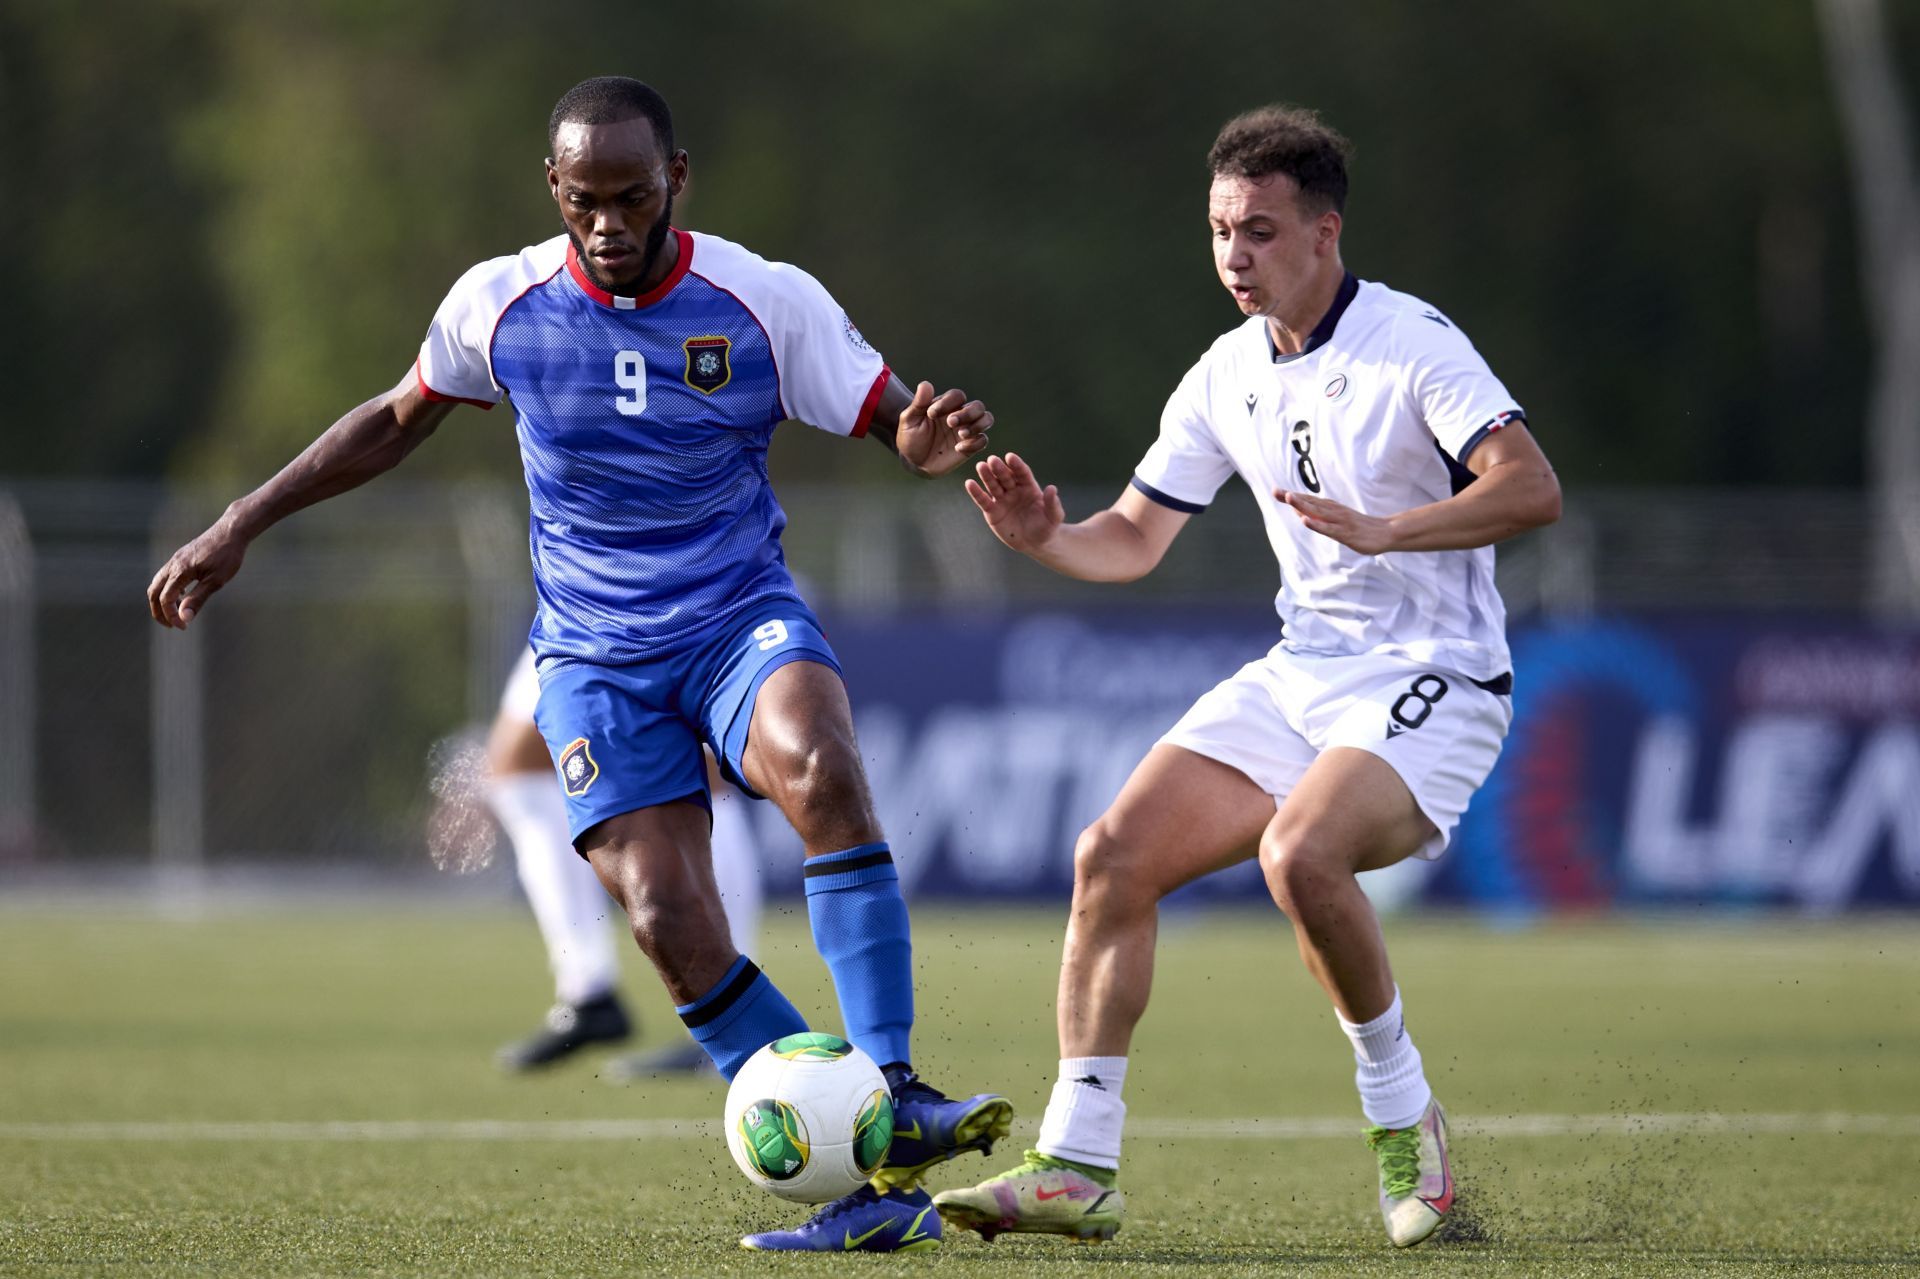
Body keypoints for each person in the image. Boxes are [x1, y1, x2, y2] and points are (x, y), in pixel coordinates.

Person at [148, 75, 1013, 1253]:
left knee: (820, 762)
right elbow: (396, 418)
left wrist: (916, 439)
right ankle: (855, 1170)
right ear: (552, 189)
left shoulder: (761, 301)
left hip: (736, 619)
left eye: (634, 197)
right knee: (663, 911)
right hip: (594, 655)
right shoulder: (497, 306)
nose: (610, 224)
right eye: (586, 200)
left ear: (678, 182)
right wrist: (240, 518)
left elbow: (888, 413)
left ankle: (897, 1090)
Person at [933, 105, 1560, 1249]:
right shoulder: (1227, 371)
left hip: (1439, 676)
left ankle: (1404, 1123)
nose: (1235, 255)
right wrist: (1045, 541)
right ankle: (1075, 1164)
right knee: (1111, 855)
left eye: (1261, 231)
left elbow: (1531, 488)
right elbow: (1130, 535)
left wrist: (1390, 530)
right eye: (1222, 230)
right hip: (1304, 670)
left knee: (1299, 853)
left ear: (1326, 232)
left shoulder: (1413, 342)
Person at [483, 646, 763, 1077]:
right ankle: (588, 990)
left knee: (701, 758)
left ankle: (732, 1012)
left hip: (671, 585)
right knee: (518, 768)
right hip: (580, 587)